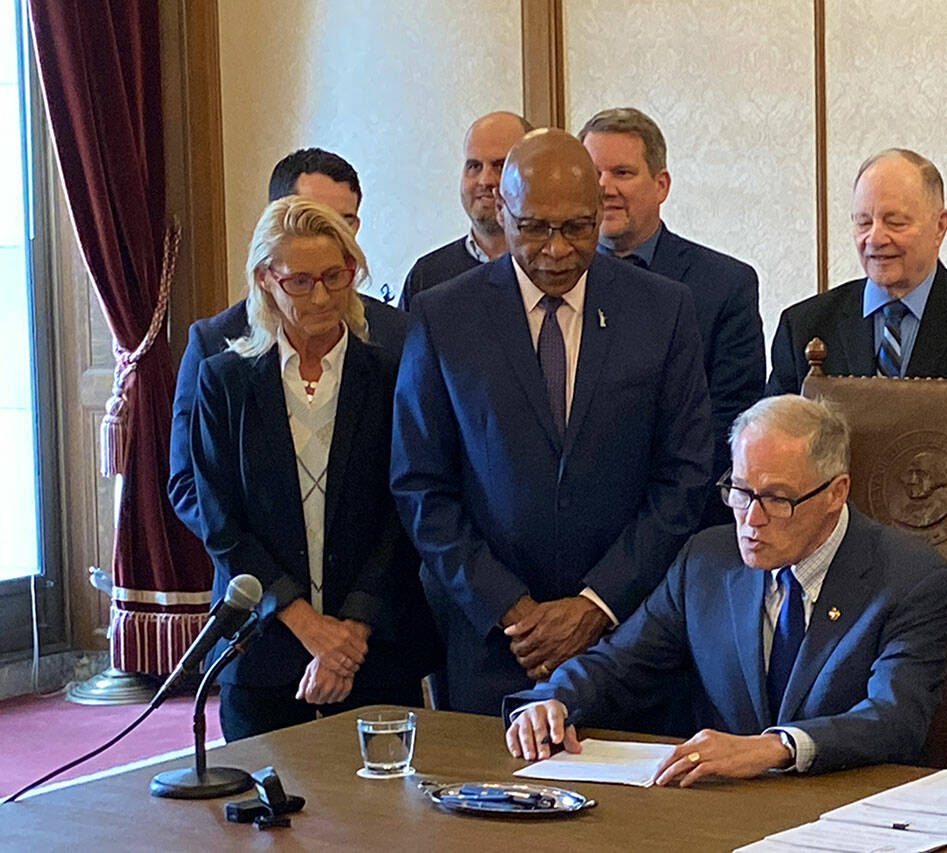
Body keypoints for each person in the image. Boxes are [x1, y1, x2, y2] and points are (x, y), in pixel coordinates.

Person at [391, 128, 712, 716]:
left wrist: (595, 605)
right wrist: (512, 610)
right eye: (535, 227)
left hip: (629, 640)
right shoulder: (445, 316)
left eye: (577, 228)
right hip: (494, 644)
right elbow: (421, 485)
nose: (557, 249)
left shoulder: (662, 309)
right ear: (502, 211)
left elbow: (684, 477)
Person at [504, 395, 947, 783]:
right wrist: (554, 701)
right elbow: (621, 663)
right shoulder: (706, 561)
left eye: (777, 499)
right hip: (722, 814)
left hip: (852, 812)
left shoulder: (911, 580)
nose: (750, 520)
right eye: (740, 491)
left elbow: (896, 719)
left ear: (835, 493)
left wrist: (776, 747)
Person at [189, 198, 431, 741]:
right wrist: (307, 626)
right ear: (265, 280)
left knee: (382, 818)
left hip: (376, 651)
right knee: (269, 815)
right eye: (299, 281)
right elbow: (221, 521)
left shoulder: (394, 372)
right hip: (263, 653)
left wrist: (351, 632)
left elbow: (408, 511)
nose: (321, 296)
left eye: (335, 277)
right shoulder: (224, 381)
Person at [169, 148, 409, 535]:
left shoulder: (398, 336)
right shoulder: (215, 342)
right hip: (255, 582)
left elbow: (413, 482)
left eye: (343, 222)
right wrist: (272, 582)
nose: (327, 235)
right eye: (312, 217)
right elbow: (189, 486)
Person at [579, 107, 764, 527]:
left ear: (661, 185)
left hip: (686, 526)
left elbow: (730, 425)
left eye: (622, 173)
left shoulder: (725, 284)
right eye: (593, 175)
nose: (604, 187)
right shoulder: (554, 284)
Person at [765, 149, 947, 395]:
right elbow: (772, 441)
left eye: (894, 222)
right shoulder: (804, 325)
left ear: (940, 227)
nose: (874, 238)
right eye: (863, 222)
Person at [398, 111, 533, 309]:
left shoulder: (554, 267)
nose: (485, 180)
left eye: (500, 166)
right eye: (474, 166)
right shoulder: (427, 277)